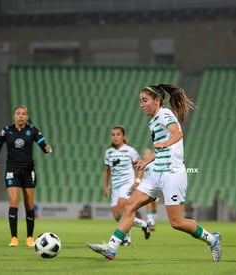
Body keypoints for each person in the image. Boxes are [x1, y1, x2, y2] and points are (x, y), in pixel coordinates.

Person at [87, 84, 222, 262]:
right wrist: (147, 160)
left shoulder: (164, 114)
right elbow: (161, 149)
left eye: (145, 100)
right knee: (129, 206)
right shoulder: (153, 121)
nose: (141, 105)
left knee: (176, 222)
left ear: (157, 101)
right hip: (156, 173)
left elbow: (177, 133)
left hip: (173, 173)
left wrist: (165, 144)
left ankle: (213, 240)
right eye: (140, 101)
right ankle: (111, 248)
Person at [0, 105, 52, 247]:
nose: (21, 116)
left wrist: (47, 148)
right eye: (18, 113)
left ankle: (29, 237)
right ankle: (14, 238)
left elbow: (43, 146)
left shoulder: (33, 130)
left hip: (28, 171)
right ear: (14, 116)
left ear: (27, 116)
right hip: (12, 170)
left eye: (23, 114)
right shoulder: (7, 131)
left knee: (29, 205)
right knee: (14, 203)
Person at [103, 126, 150, 245]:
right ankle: (143, 224)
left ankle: (126, 239)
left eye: (118, 134)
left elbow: (140, 166)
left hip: (127, 184)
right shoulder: (108, 152)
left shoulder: (130, 151)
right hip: (115, 186)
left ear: (123, 136)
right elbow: (107, 170)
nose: (115, 137)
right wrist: (106, 186)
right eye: (113, 134)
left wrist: (137, 181)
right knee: (117, 216)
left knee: (122, 209)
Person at [142, 148, 158, 231]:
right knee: (148, 204)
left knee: (154, 206)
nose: (146, 155)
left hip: (155, 186)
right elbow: (140, 175)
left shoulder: (155, 162)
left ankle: (152, 220)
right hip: (146, 186)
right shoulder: (143, 164)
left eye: (147, 153)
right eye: (144, 154)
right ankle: (150, 222)